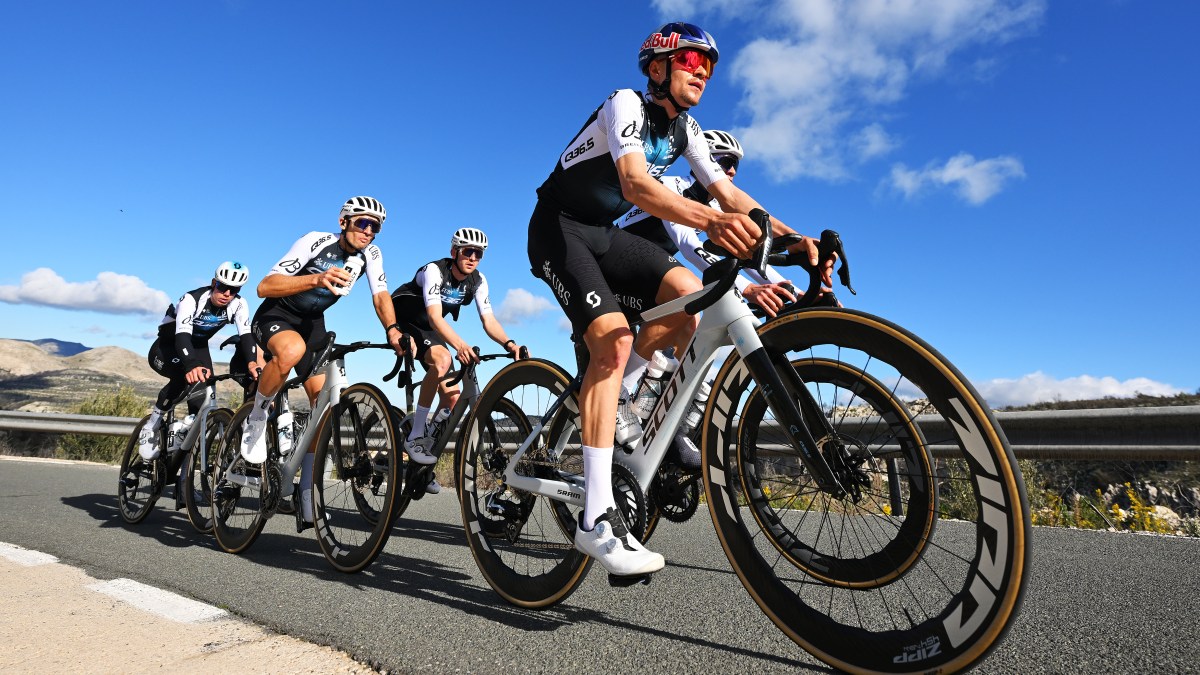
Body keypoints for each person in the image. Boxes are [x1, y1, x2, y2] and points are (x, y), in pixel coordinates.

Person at [526, 22, 831, 577]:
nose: (702, 73)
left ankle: (623, 403)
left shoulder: (687, 130)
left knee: (690, 298)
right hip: (557, 228)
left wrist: (794, 239)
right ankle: (596, 520)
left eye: (709, 67)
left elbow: (731, 195)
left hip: (602, 234)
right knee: (613, 341)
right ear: (658, 66)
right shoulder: (625, 103)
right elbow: (636, 185)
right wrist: (712, 222)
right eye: (692, 61)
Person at [616, 129, 799, 468]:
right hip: (617, 271)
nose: (731, 170)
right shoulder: (671, 185)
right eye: (725, 161)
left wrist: (792, 290)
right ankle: (620, 397)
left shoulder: (714, 205)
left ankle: (664, 424)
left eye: (736, 165)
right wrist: (746, 288)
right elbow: (689, 245)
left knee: (691, 327)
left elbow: (750, 256)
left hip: (652, 276)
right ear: (704, 161)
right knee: (685, 310)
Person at [241, 196, 409, 529]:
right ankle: (257, 418)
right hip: (277, 315)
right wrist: (316, 279)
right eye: (363, 223)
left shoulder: (370, 255)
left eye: (375, 227)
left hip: (312, 324)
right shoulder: (315, 241)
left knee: (323, 405)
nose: (369, 231)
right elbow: (265, 286)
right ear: (344, 222)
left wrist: (392, 329)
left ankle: (306, 493)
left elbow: (380, 295)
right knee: (290, 351)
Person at [390, 227, 526, 493]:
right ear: (454, 252)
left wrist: (510, 344)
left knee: (452, 396)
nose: (473, 258)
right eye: (468, 252)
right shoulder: (434, 271)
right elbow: (434, 317)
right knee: (442, 360)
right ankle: (415, 436)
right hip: (405, 321)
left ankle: (423, 460)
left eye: (479, 254)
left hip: (431, 329)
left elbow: (488, 320)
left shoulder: (478, 280)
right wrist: (460, 345)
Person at [139, 261, 259, 463]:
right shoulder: (192, 299)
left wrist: (252, 363)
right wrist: (190, 364)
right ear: (213, 283)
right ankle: (152, 425)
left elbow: (246, 335)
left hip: (199, 347)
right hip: (168, 346)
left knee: (204, 393)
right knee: (184, 376)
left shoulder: (239, 304)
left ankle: (185, 438)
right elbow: (182, 336)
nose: (227, 293)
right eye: (222, 287)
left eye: (234, 290)